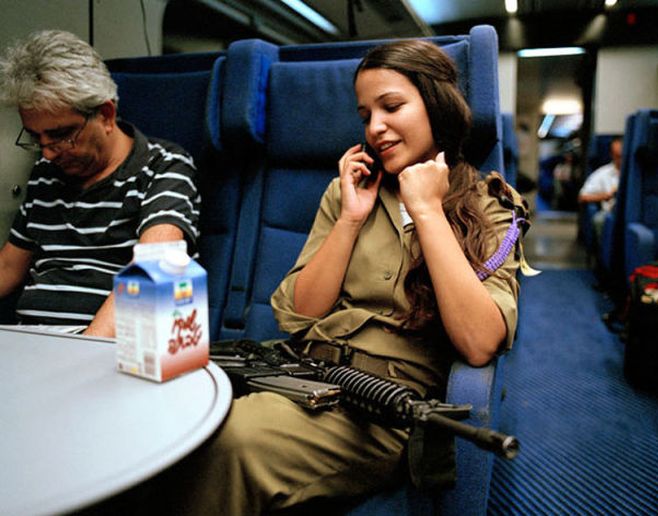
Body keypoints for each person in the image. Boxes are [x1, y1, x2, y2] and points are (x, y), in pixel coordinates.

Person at [131, 39, 530, 515]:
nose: (375, 127)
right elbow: (300, 313)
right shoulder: (350, 193)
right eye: (365, 115)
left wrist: (426, 209)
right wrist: (350, 219)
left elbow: (480, 342)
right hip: (301, 375)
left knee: (232, 441)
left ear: (437, 105)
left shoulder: (490, 204)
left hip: (382, 409)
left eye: (392, 106)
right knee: (167, 423)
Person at [0, 30, 200, 337]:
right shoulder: (45, 173)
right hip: (32, 344)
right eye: (35, 137)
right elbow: (7, 269)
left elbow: (154, 269)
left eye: (60, 135)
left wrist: (83, 352)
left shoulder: (164, 166)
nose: (49, 152)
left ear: (106, 115)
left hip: (108, 349)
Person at [578, 136, 623, 246]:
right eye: (618, 156)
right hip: (611, 213)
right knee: (600, 220)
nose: (621, 159)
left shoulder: (638, 175)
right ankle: (603, 255)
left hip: (630, 214)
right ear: (612, 155)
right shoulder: (603, 174)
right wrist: (607, 196)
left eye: (623, 156)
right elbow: (582, 196)